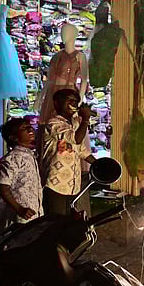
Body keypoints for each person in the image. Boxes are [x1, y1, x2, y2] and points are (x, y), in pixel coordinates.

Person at [0, 117, 42, 286]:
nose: (30, 130)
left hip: (32, 217)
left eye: (30, 127)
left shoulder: (29, 155)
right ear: (14, 137)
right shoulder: (12, 158)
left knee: (29, 261)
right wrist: (19, 208)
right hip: (20, 220)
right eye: (25, 129)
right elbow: (2, 186)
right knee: (19, 262)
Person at [40, 89, 95, 217]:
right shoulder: (53, 123)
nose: (73, 104)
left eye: (76, 102)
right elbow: (75, 139)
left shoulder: (75, 123)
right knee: (56, 222)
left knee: (69, 221)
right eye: (69, 100)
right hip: (55, 183)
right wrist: (85, 119)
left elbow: (80, 149)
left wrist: (98, 164)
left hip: (72, 184)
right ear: (57, 103)